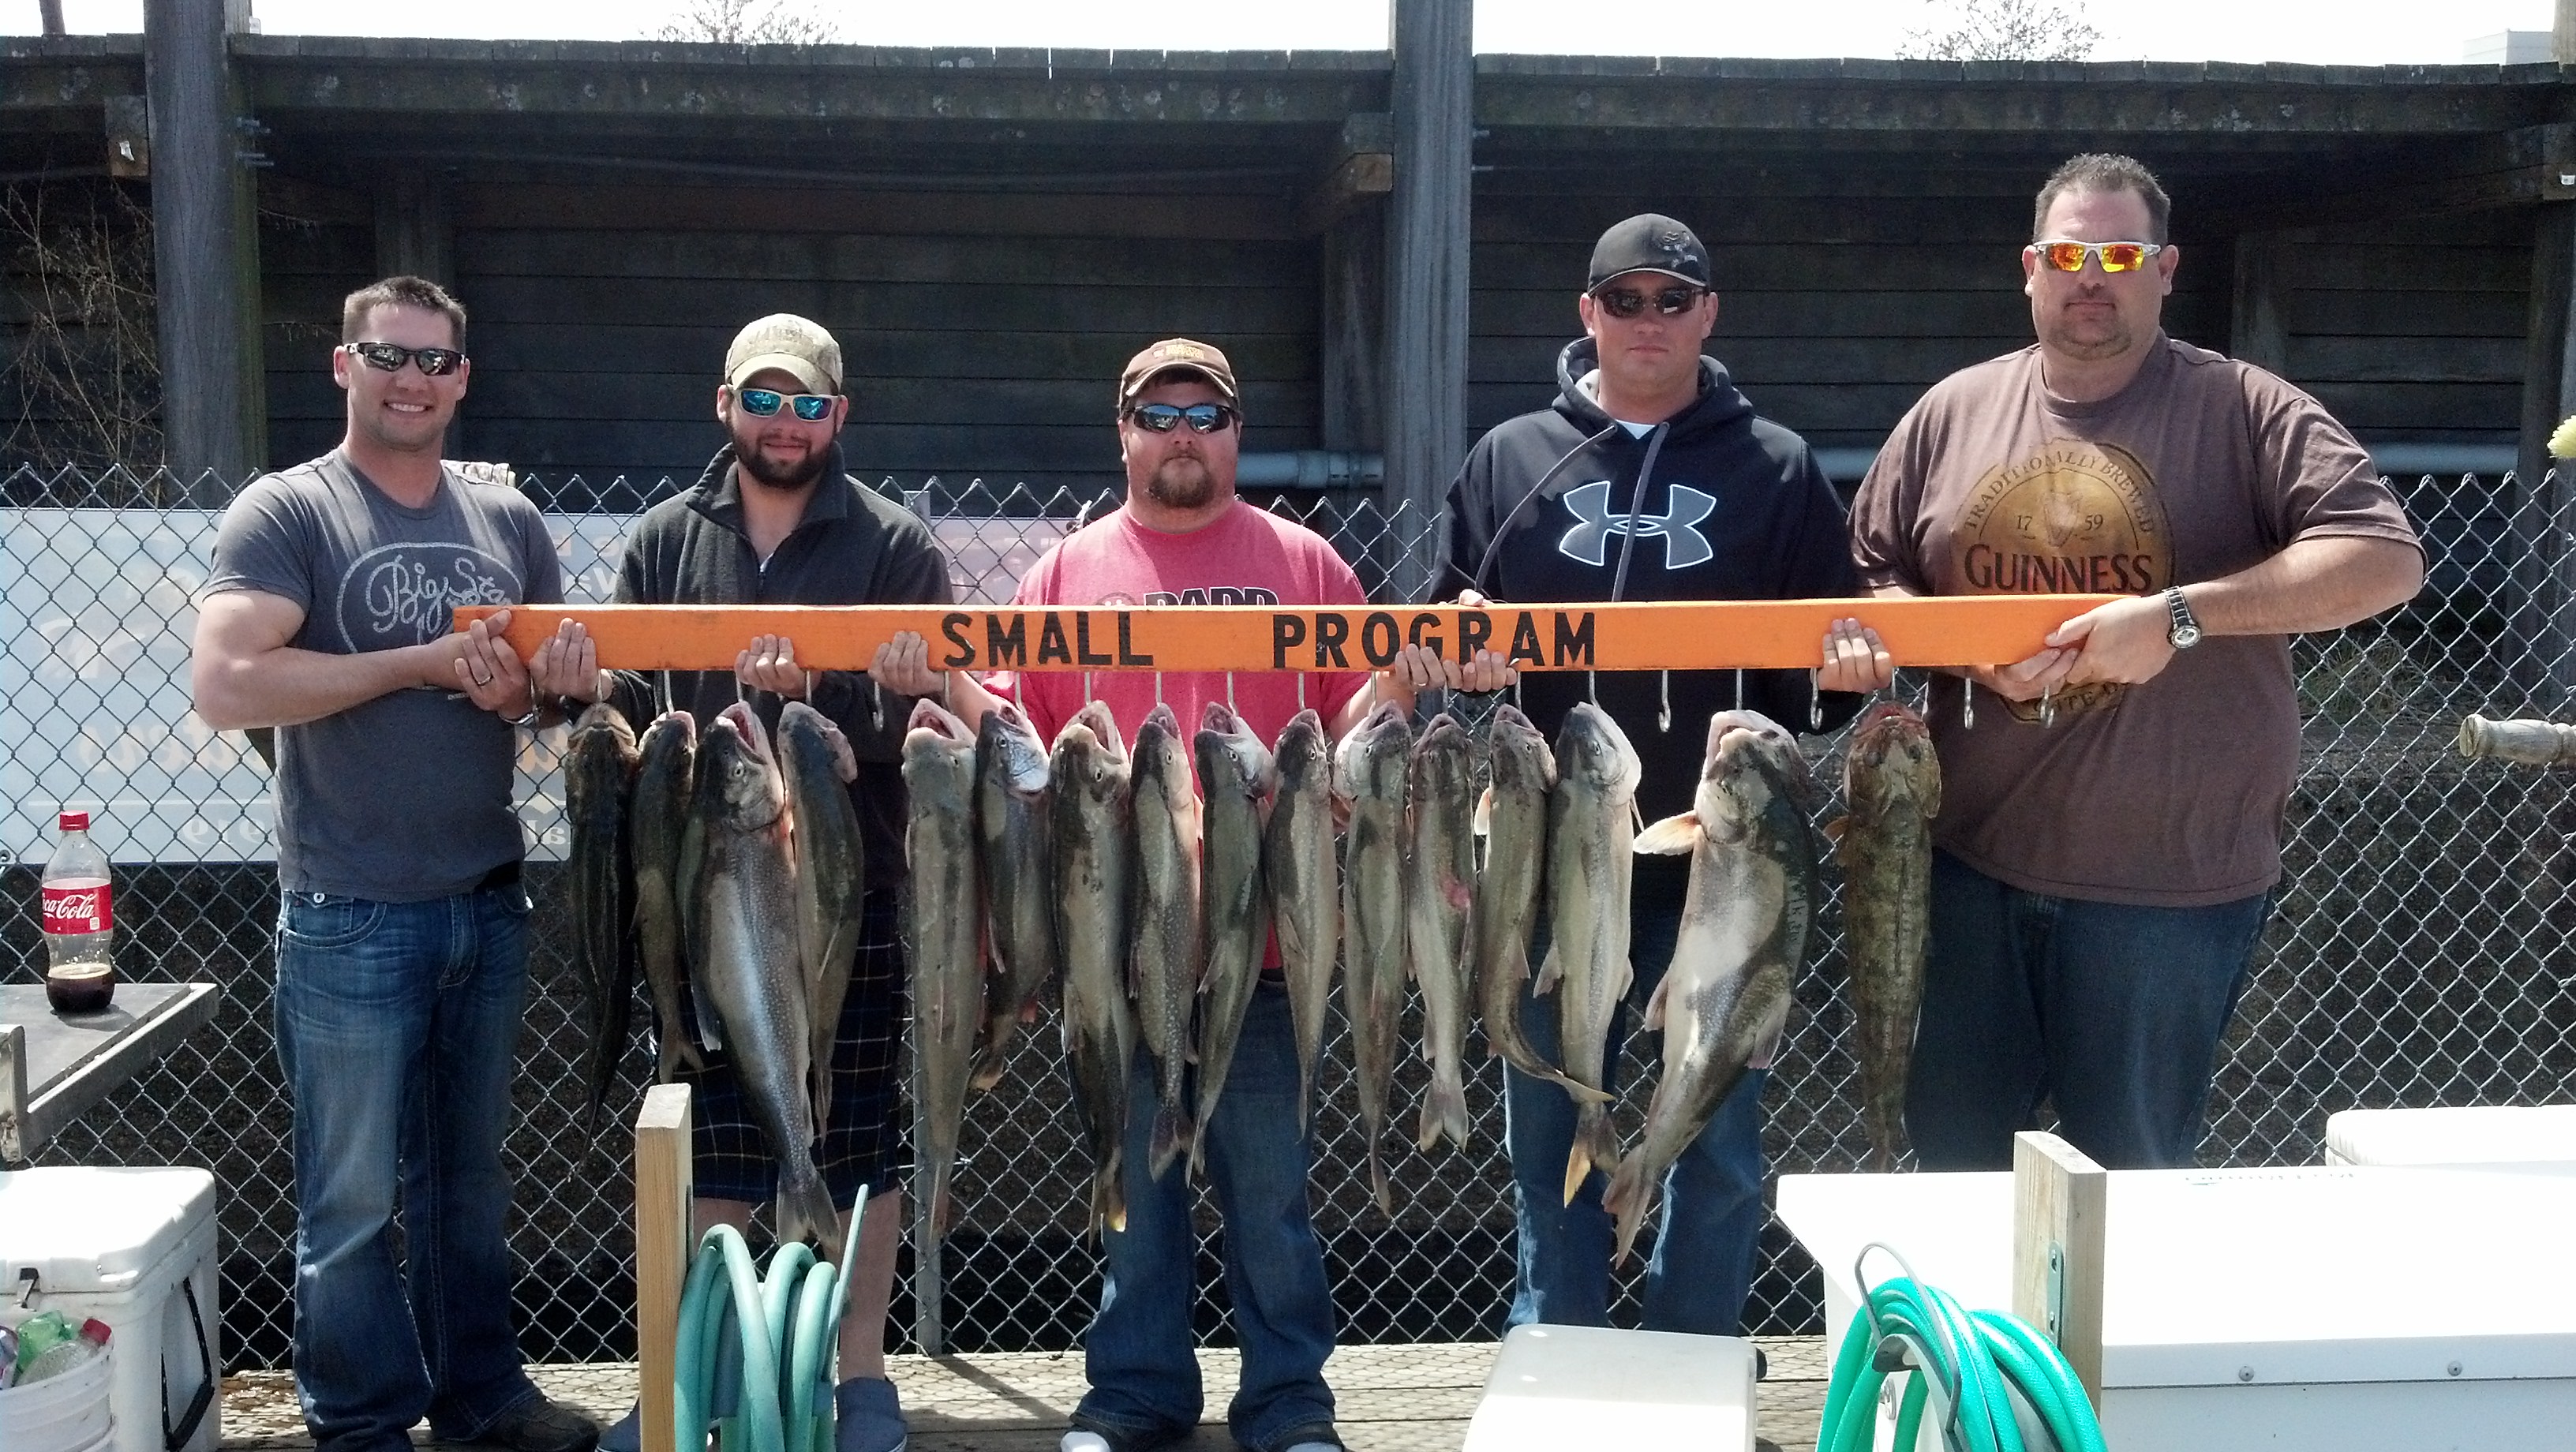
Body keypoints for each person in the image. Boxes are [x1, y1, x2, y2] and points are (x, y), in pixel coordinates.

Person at [1842, 152, 2424, 1171]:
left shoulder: (2246, 408)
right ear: (2029, 267)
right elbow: (1872, 575)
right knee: (1955, 1178)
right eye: (2069, 253)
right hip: (1969, 872)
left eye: (2120, 253)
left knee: (2131, 1187)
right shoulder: (1952, 412)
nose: (2091, 277)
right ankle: (1968, 1344)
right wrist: (1965, 651)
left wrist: (2179, 619)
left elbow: (2383, 561)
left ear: (2165, 269)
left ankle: (2094, 1346)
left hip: (2166, 893)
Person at [893, 337, 1403, 1452]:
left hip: (1269, 945)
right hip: (1115, 943)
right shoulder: (1062, 574)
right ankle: (1136, 1393)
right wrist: (944, 684)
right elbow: (1022, 741)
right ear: (1123, 433)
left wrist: (1405, 686)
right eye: (1159, 415)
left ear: (1236, 433)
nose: (1183, 434)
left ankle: (1289, 1402)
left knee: (1270, 1200)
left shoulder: (1308, 562)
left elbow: (1357, 726)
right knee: (1134, 1191)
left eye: (1205, 415)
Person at [1395, 213, 1878, 1338]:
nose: (1649, 319)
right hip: (1556, 852)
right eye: (1626, 299)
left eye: (1674, 299)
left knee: (1714, 1136)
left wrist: (1850, 673)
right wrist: (1453, 643)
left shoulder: (1778, 465)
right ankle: (1559, 1349)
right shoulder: (1513, 455)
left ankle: (1692, 1357)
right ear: (1588, 315)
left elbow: (1825, 689)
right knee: (1548, 1128)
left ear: (1709, 315)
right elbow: (1453, 646)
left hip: (1725, 860)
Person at [189, 275, 596, 1452]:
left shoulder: (506, 521)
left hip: (486, 897)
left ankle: (481, 1400)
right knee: (352, 1203)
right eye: (388, 356)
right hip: (350, 911)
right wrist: (415, 662)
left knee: (465, 1187)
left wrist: (558, 688)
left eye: (433, 362)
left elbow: (541, 706)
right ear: (342, 365)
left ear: (463, 379)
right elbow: (227, 685)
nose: (411, 380)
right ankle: (363, 1420)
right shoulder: (288, 511)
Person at [534, 315, 949, 1452]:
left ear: (839, 417)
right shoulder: (668, 536)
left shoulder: (893, 543)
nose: (785, 423)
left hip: (839, 886)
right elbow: (623, 690)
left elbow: (925, 721)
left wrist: (863, 689)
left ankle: (859, 1370)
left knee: (855, 1128)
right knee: (712, 1126)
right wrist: (581, 690)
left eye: (808, 404)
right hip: (703, 883)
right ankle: (692, 1369)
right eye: (765, 400)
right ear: (725, 406)